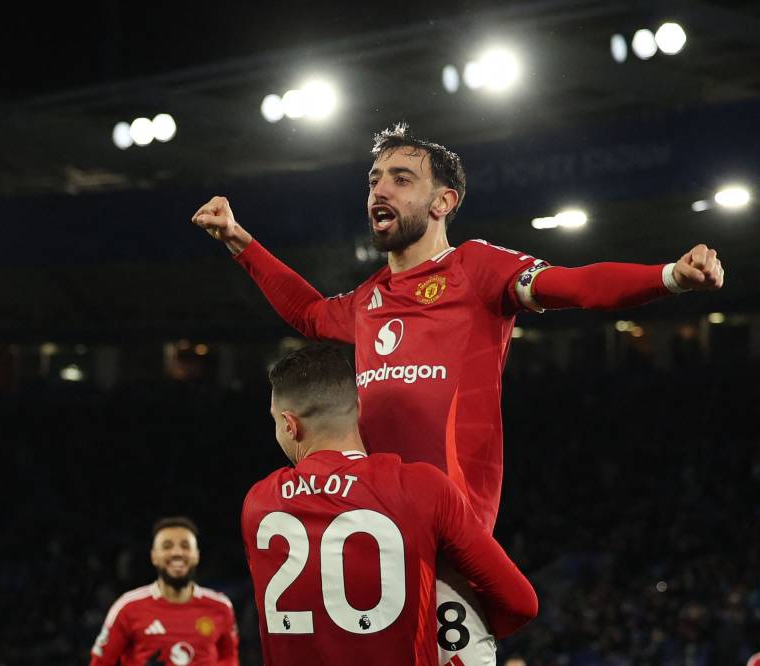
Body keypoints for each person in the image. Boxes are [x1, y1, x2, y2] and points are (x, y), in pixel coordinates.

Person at [193, 123, 723, 664]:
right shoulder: (369, 298)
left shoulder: (476, 270)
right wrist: (239, 241)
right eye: (374, 179)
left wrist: (669, 277)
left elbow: (575, 285)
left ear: (445, 200)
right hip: (378, 549)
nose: (380, 190)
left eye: (401, 179)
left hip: (448, 554)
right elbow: (307, 313)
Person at [241, 345, 537, 665]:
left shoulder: (260, 503)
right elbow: (521, 603)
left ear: (289, 424)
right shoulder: (422, 487)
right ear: (357, 407)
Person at [89, 517, 238, 666]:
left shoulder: (221, 607)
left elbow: (229, 659)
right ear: (154, 556)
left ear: (197, 555)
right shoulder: (127, 608)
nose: (177, 553)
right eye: (167, 546)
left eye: (185, 546)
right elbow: (100, 662)